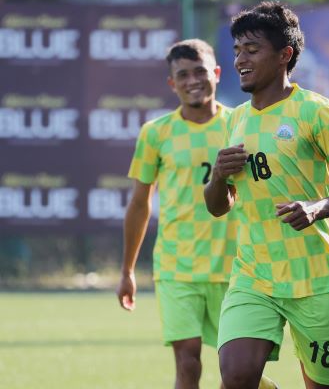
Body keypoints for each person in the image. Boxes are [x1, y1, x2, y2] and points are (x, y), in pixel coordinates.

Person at [204, 1, 329, 389]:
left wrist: (319, 207)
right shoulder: (235, 120)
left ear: (285, 55)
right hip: (254, 274)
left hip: (314, 280)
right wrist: (218, 177)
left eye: (251, 50)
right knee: (235, 376)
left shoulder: (317, 112)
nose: (239, 60)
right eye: (236, 50)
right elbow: (218, 206)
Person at [116, 39, 277, 389]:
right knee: (188, 362)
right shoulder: (155, 133)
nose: (193, 81)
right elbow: (140, 203)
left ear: (217, 74)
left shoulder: (240, 123)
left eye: (200, 72)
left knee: (237, 373)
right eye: (183, 75)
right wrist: (128, 270)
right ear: (172, 83)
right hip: (177, 268)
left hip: (236, 268)